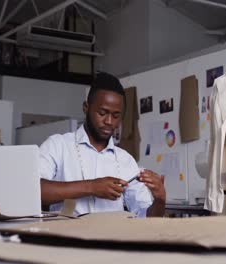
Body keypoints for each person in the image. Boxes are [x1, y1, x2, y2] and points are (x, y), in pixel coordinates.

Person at [39, 72, 166, 217]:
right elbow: (33, 190)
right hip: (67, 238)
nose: (109, 121)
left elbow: (145, 219)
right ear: (86, 107)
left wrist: (160, 200)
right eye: (102, 112)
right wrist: (92, 187)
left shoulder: (126, 160)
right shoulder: (58, 146)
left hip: (110, 239)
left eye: (116, 115)